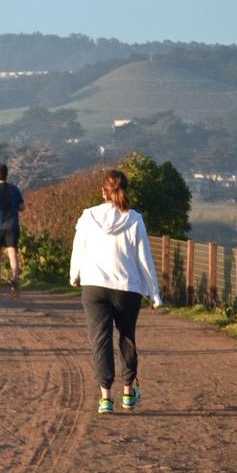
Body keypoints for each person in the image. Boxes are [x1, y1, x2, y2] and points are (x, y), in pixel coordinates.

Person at [69, 169, 164, 414]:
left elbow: (78, 248)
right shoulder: (134, 219)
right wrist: (154, 293)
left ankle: (105, 398)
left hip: (94, 287)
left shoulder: (88, 216)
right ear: (124, 191)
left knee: (100, 340)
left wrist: (74, 275)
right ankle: (128, 393)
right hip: (127, 288)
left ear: (103, 192)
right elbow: (144, 260)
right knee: (126, 337)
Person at [0, 163, 25, 297]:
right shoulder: (15, 189)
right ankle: (15, 278)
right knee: (12, 251)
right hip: (13, 224)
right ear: (7, 175)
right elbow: (22, 207)